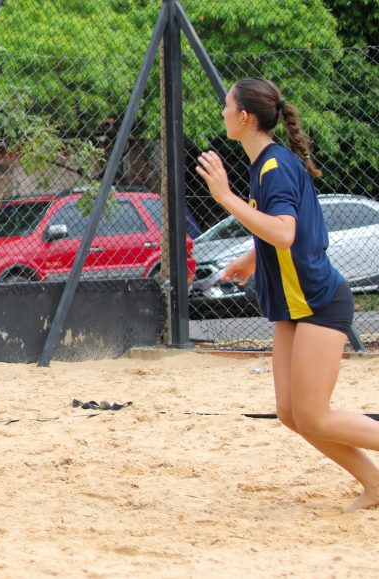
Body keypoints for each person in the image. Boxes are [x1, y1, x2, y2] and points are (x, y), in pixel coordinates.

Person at [196, 76, 379, 512]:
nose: (222, 112)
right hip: (294, 307)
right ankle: (375, 484)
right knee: (292, 413)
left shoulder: (274, 166)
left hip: (318, 301)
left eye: (226, 105)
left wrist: (224, 196)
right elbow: (281, 235)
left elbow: (284, 232)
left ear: (244, 116)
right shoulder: (267, 165)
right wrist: (250, 257)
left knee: (315, 415)